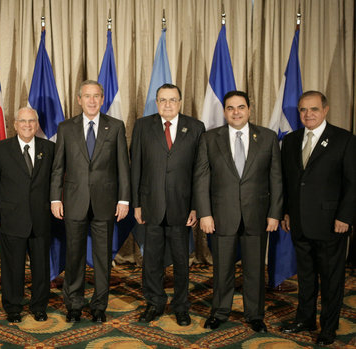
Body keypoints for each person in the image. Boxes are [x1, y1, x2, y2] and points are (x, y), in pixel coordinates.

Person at [194, 90, 282, 333]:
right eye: (231, 108)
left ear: (249, 110)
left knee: (255, 269)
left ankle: (255, 314)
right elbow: (201, 178)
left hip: (257, 216)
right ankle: (219, 312)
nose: (236, 112)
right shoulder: (210, 138)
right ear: (224, 111)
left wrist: (275, 213)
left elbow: (276, 179)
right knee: (222, 269)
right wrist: (205, 213)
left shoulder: (267, 137)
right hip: (222, 216)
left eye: (241, 107)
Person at [50, 80, 130, 323]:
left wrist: (124, 199)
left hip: (105, 203)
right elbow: (58, 167)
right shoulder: (66, 128)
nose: (92, 100)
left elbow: (123, 167)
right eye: (87, 96)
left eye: (96, 96)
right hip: (74, 202)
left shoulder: (115, 126)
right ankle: (73, 304)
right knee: (73, 256)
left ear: (102, 99)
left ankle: (99, 306)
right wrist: (55, 197)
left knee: (102, 259)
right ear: (79, 100)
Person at [279, 91, 355, 345]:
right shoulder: (291, 140)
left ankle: (328, 327)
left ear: (325, 110)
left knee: (331, 279)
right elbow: (290, 182)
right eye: (302, 110)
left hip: (331, 223)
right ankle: (305, 318)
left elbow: (352, 183)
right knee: (306, 276)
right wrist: (287, 212)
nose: (307, 114)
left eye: (313, 109)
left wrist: (345, 216)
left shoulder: (344, 140)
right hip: (300, 221)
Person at [130, 83, 204, 325]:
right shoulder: (143, 125)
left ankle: (181, 306)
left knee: (182, 260)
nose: (168, 104)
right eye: (163, 100)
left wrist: (195, 206)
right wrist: (137, 204)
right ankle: (154, 303)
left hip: (182, 208)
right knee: (151, 260)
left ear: (180, 102)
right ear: (156, 102)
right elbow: (136, 167)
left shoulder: (195, 127)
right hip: (151, 205)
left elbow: (199, 171)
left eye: (172, 100)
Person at [0, 107, 54, 323]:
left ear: (37, 125)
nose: (27, 125)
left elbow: (56, 183)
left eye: (32, 121)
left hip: (41, 220)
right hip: (12, 219)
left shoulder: (49, 148)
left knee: (41, 268)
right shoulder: (0, 149)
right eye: (23, 121)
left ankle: (39, 306)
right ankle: (13, 307)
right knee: (12, 268)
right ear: (15, 124)